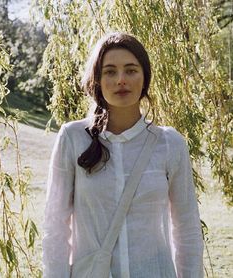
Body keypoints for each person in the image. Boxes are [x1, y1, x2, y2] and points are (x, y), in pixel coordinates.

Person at [42, 32, 204, 278]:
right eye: (110, 71)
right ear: (97, 79)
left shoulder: (170, 144)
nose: (121, 80)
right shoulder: (73, 138)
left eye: (131, 70)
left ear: (144, 77)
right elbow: (55, 227)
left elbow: (187, 229)